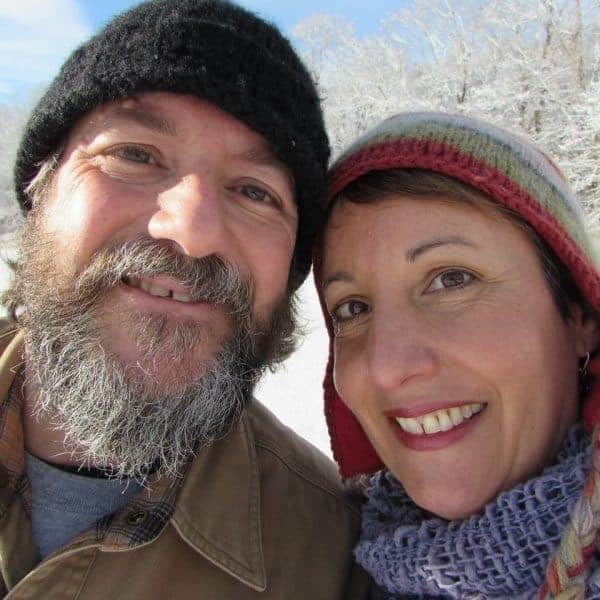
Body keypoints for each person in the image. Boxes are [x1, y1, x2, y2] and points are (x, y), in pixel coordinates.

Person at [0, 1, 371, 597]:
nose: (192, 232)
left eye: (254, 192)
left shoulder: (337, 564)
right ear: (40, 189)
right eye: (134, 155)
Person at [314, 112, 600, 598]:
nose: (387, 365)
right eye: (353, 308)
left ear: (578, 316)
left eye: (452, 279)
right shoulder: (321, 565)